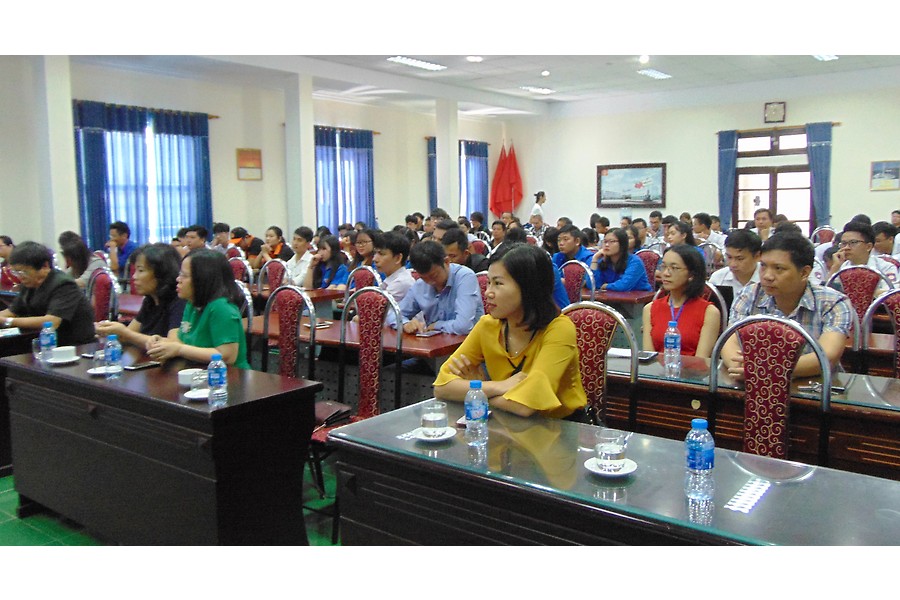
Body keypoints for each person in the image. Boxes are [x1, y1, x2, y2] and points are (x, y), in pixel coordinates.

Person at [433, 243, 587, 419]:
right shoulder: (488, 325)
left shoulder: (559, 329)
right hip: (506, 421)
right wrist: (496, 386)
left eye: (498, 283)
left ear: (529, 287)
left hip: (561, 426)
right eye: (488, 283)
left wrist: (476, 391)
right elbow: (441, 387)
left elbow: (526, 405)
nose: (488, 292)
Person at [722, 233, 852, 380]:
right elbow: (729, 342)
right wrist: (745, 368)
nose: (767, 276)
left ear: (804, 272)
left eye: (778, 268)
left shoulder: (833, 302)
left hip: (816, 384)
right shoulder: (749, 294)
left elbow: (827, 356)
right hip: (752, 382)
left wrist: (765, 370)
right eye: (763, 266)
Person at [146, 250, 250, 369]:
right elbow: (185, 342)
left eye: (184, 276)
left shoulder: (222, 308)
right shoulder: (192, 303)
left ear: (203, 279)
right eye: (180, 274)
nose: (178, 279)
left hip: (228, 375)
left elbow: (228, 356)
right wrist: (162, 343)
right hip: (198, 370)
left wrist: (179, 349)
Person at [0, 241, 95, 345]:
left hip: (75, 346)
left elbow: (52, 321)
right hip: (45, 343)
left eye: (23, 272)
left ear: (45, 266)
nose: (20, 277)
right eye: (15, 272)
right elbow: (12, 311)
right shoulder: (29, 284)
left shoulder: (64, 285)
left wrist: (8, 321)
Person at [95, 243, 186, 346]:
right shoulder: (150, 299)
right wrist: (109, 331)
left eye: (141, 270)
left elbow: (172, 345)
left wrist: (125, 333)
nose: (134, 276)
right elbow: (130, 334)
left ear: (161, 273)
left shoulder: (179, 301)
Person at [642, 244, 720, 358]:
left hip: (693, 369)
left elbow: (701, 361)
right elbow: (649, 356)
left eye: (674, 268)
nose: (666, 273)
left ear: (691, 274)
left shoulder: (709, 312)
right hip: (657, 368)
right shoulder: (650, 309)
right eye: (663, 266)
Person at [394, 241, 483, 335]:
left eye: (434, 276)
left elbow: (463, 326)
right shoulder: (421, 284)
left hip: (467, 341)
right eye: (424, 278)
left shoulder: (465, 277)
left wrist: (437, 325)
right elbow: (394, 314)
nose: (430, 282)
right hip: (434, 343)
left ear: (446, 262)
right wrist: (405, 323)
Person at [828, 220, 899, 292]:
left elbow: (891, 294)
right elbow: (827, 293)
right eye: (843, 243)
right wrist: (835, 267)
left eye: (853, 242)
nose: (846, 247)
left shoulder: (886, 267)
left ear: (868, 246)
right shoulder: (842, 267)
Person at [708, 230, 762, 294]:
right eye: (729, 257)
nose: (733, 264)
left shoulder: (767, 279)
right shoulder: (718, 278)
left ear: (757, 256)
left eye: (740, 259)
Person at [374, 230, 415, 304]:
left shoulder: (401, 283)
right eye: (375, 253)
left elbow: (377, 308)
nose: (375, 259)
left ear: (398, 258)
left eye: (381, 254)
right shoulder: (392, 279)